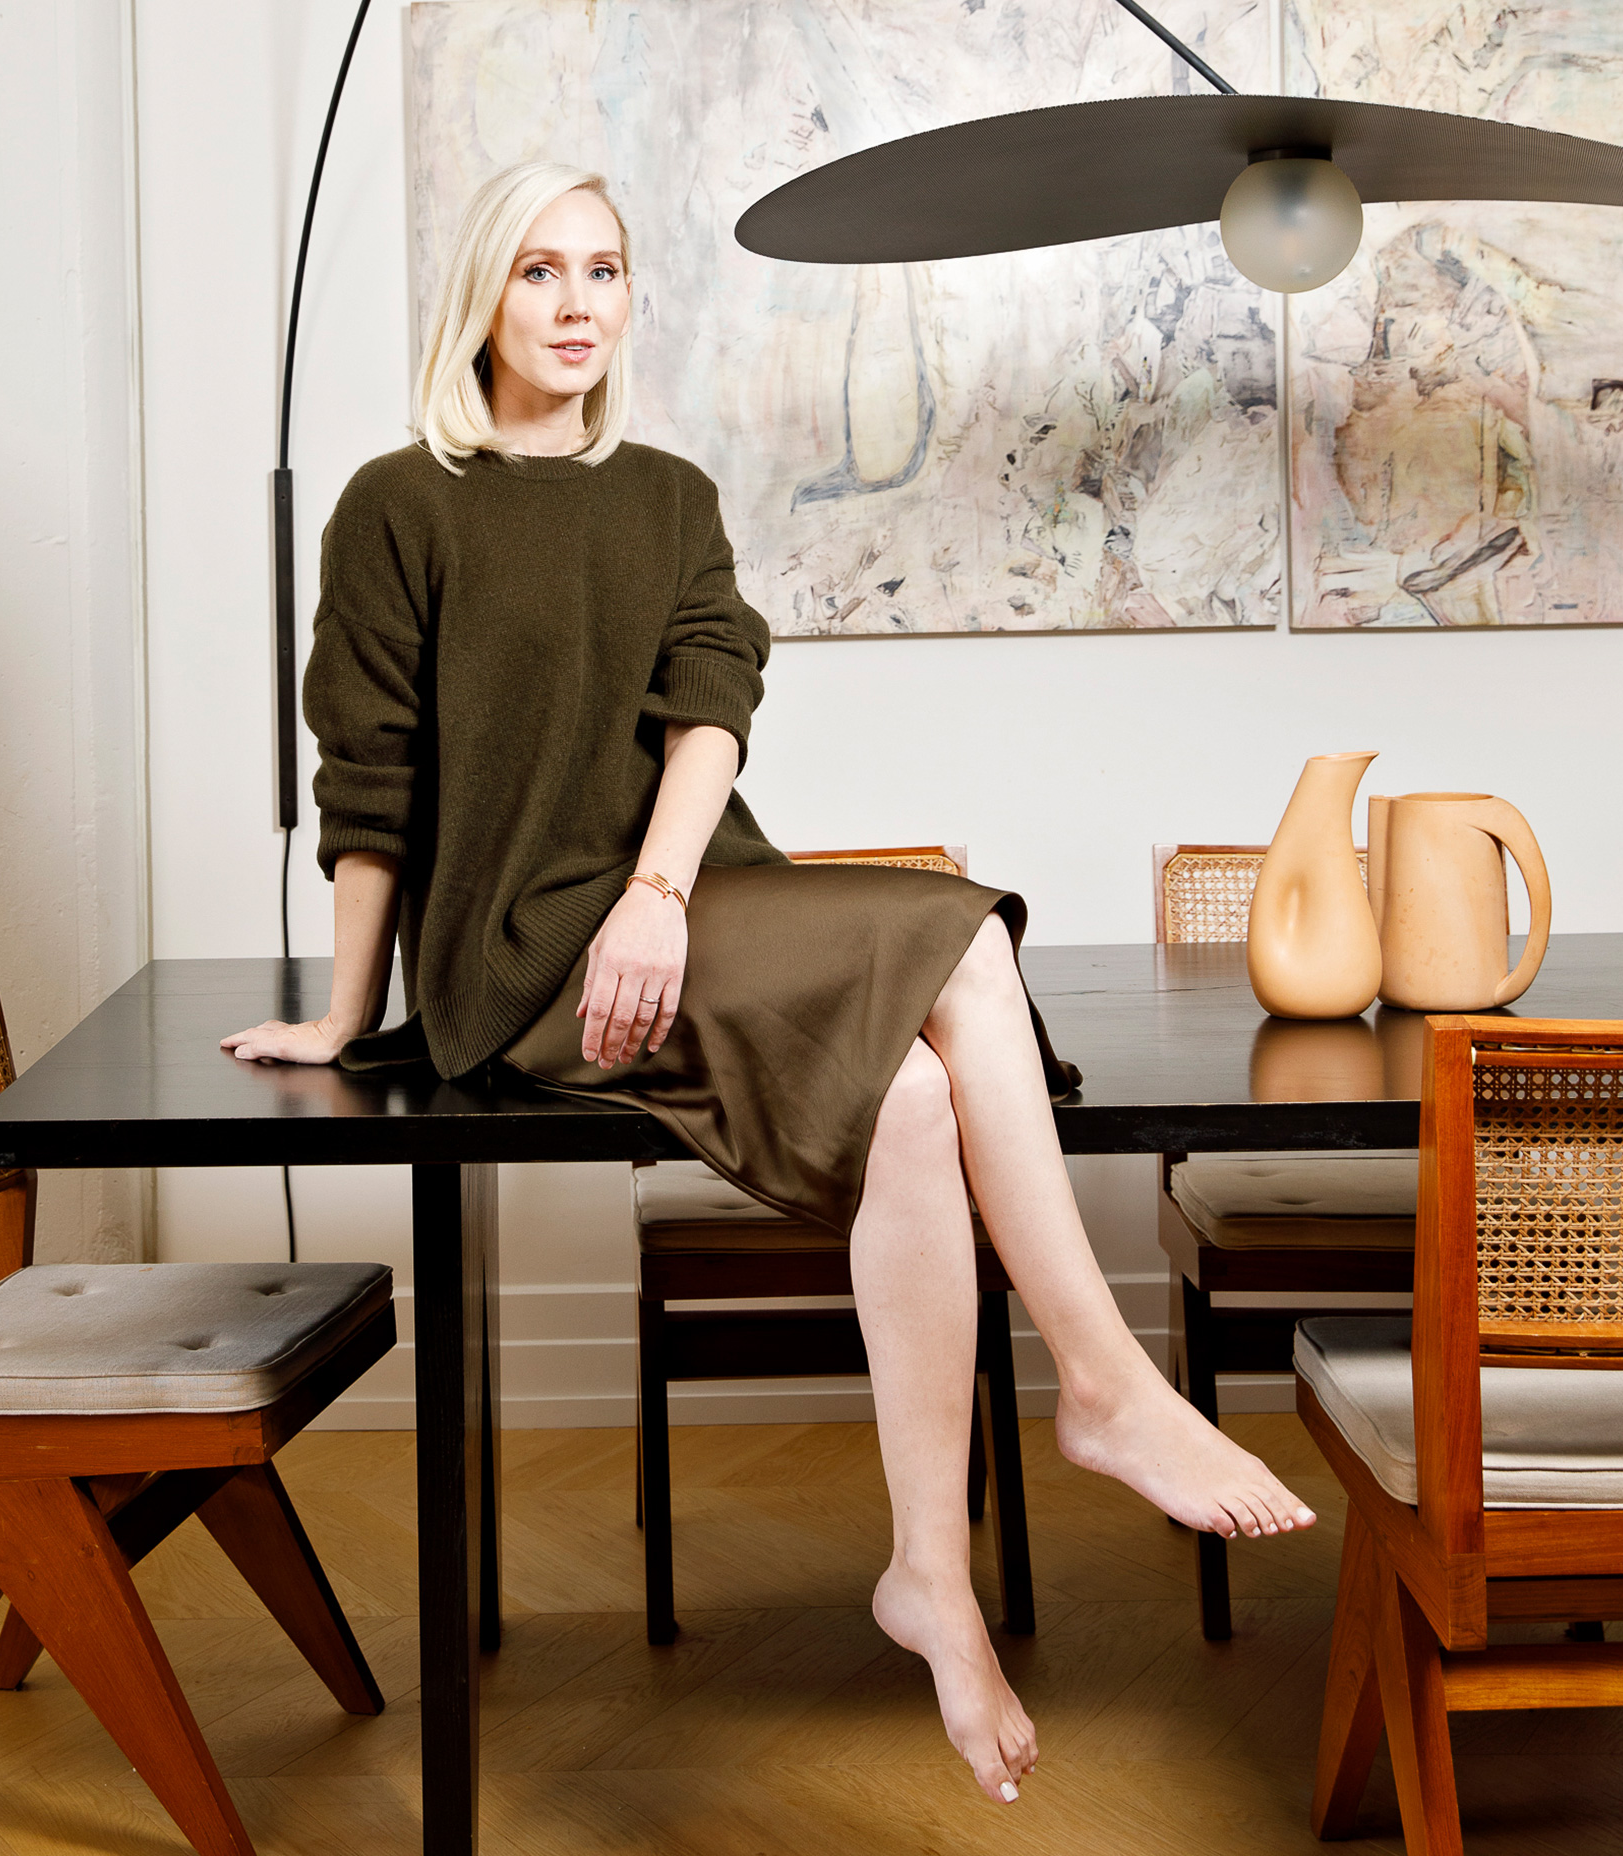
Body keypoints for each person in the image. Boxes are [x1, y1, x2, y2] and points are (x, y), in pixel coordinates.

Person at [222, 160, 1314, 1804]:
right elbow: (368, 784)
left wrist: (658, 896)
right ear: (481, 300)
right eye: (539, 270)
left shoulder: (668, 496)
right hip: (518, 948)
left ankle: (929, 1574)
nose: (577, 303)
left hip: (684, 899)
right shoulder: (398, 503)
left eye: (604, 270)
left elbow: (710, 710)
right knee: (957, 938)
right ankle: (1103, 1382)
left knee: (921, 1089)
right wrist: (342, 1010)